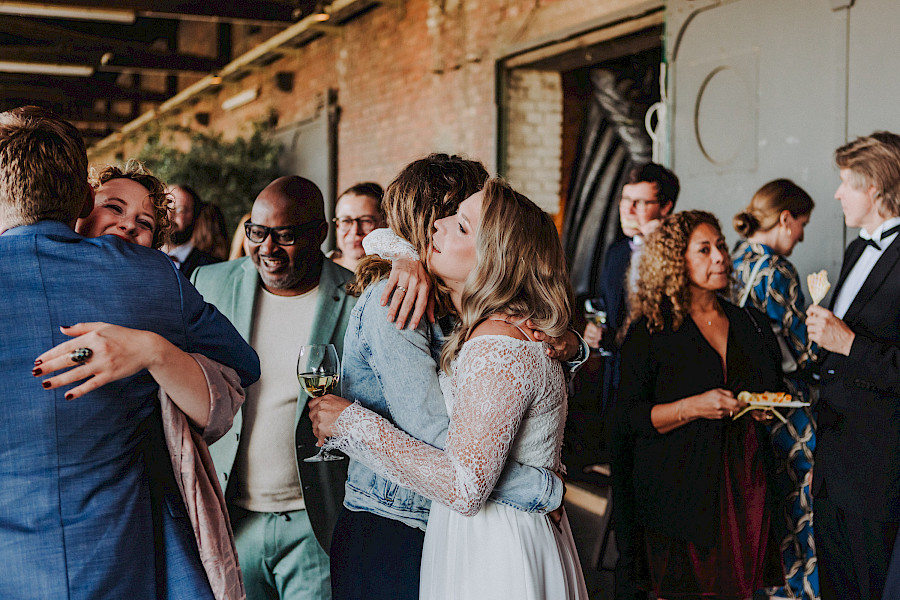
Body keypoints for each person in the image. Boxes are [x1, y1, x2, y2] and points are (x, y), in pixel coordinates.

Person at [0, 105, 259, 600]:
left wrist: (153, 352)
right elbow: (242, 365)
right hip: (123, 559)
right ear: (81, 199)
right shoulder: (152, 277)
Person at [299, 154, 580, 600]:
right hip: (395, 526)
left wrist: (572, 345)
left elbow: (471, 458)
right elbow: (438, 439)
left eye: (462, 222)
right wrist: (541, 488)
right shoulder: (399, 302)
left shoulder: (484, 317)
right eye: (449, 216)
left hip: (455, 524)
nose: (440, 228)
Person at [62, 160, 247, 600]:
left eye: (143, 223)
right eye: (114, 208)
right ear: (80, 209)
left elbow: (241, 363)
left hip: (141, 491)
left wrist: (157, 353)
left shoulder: (162, 284)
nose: (127, 225)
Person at [191, 175, 357, 600]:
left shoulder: (358, 296)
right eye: (257, 232)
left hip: (315, 522)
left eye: (283, 236)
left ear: (320, 234)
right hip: (231, 518)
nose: (266, 248)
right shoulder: (208, 285)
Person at [613, 210, 786, 599]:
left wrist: (759, 407)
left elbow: (769, 387)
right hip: (679, 488)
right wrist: (693, 406)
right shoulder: (652, 330)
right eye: (704, 250)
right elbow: (627, 419)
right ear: (677, 260)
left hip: (744, 482)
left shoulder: (748, 322)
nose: (721, 257)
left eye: (721, 246)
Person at [806, 131, 900, 600]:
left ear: (877, 189)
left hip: (878, 467)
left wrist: (848, 343)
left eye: (847, 183)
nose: (838, 194)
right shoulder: (856, 249)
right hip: (833, 458)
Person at [732, 179, 819, 600]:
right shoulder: (778, 271)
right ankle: (799, 591)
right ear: (785, 219)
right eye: (801, 223)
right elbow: (803, 351)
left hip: (745, 403)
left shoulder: (732, 260)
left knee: (761, 504)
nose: (802, 235)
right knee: (800, 506)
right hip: (787, 406)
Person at [164, 183, 222, 276]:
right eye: (165, 207)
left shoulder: (211, 267)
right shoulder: (143, 257)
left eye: (180, 210)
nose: (169, 216)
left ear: (195, 217)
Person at [329, 181, 386, 271]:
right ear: (337, 226)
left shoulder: (402, 274)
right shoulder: (317, 271)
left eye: (366, 221)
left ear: (385, 224)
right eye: (346, 221)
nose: (355, 231)